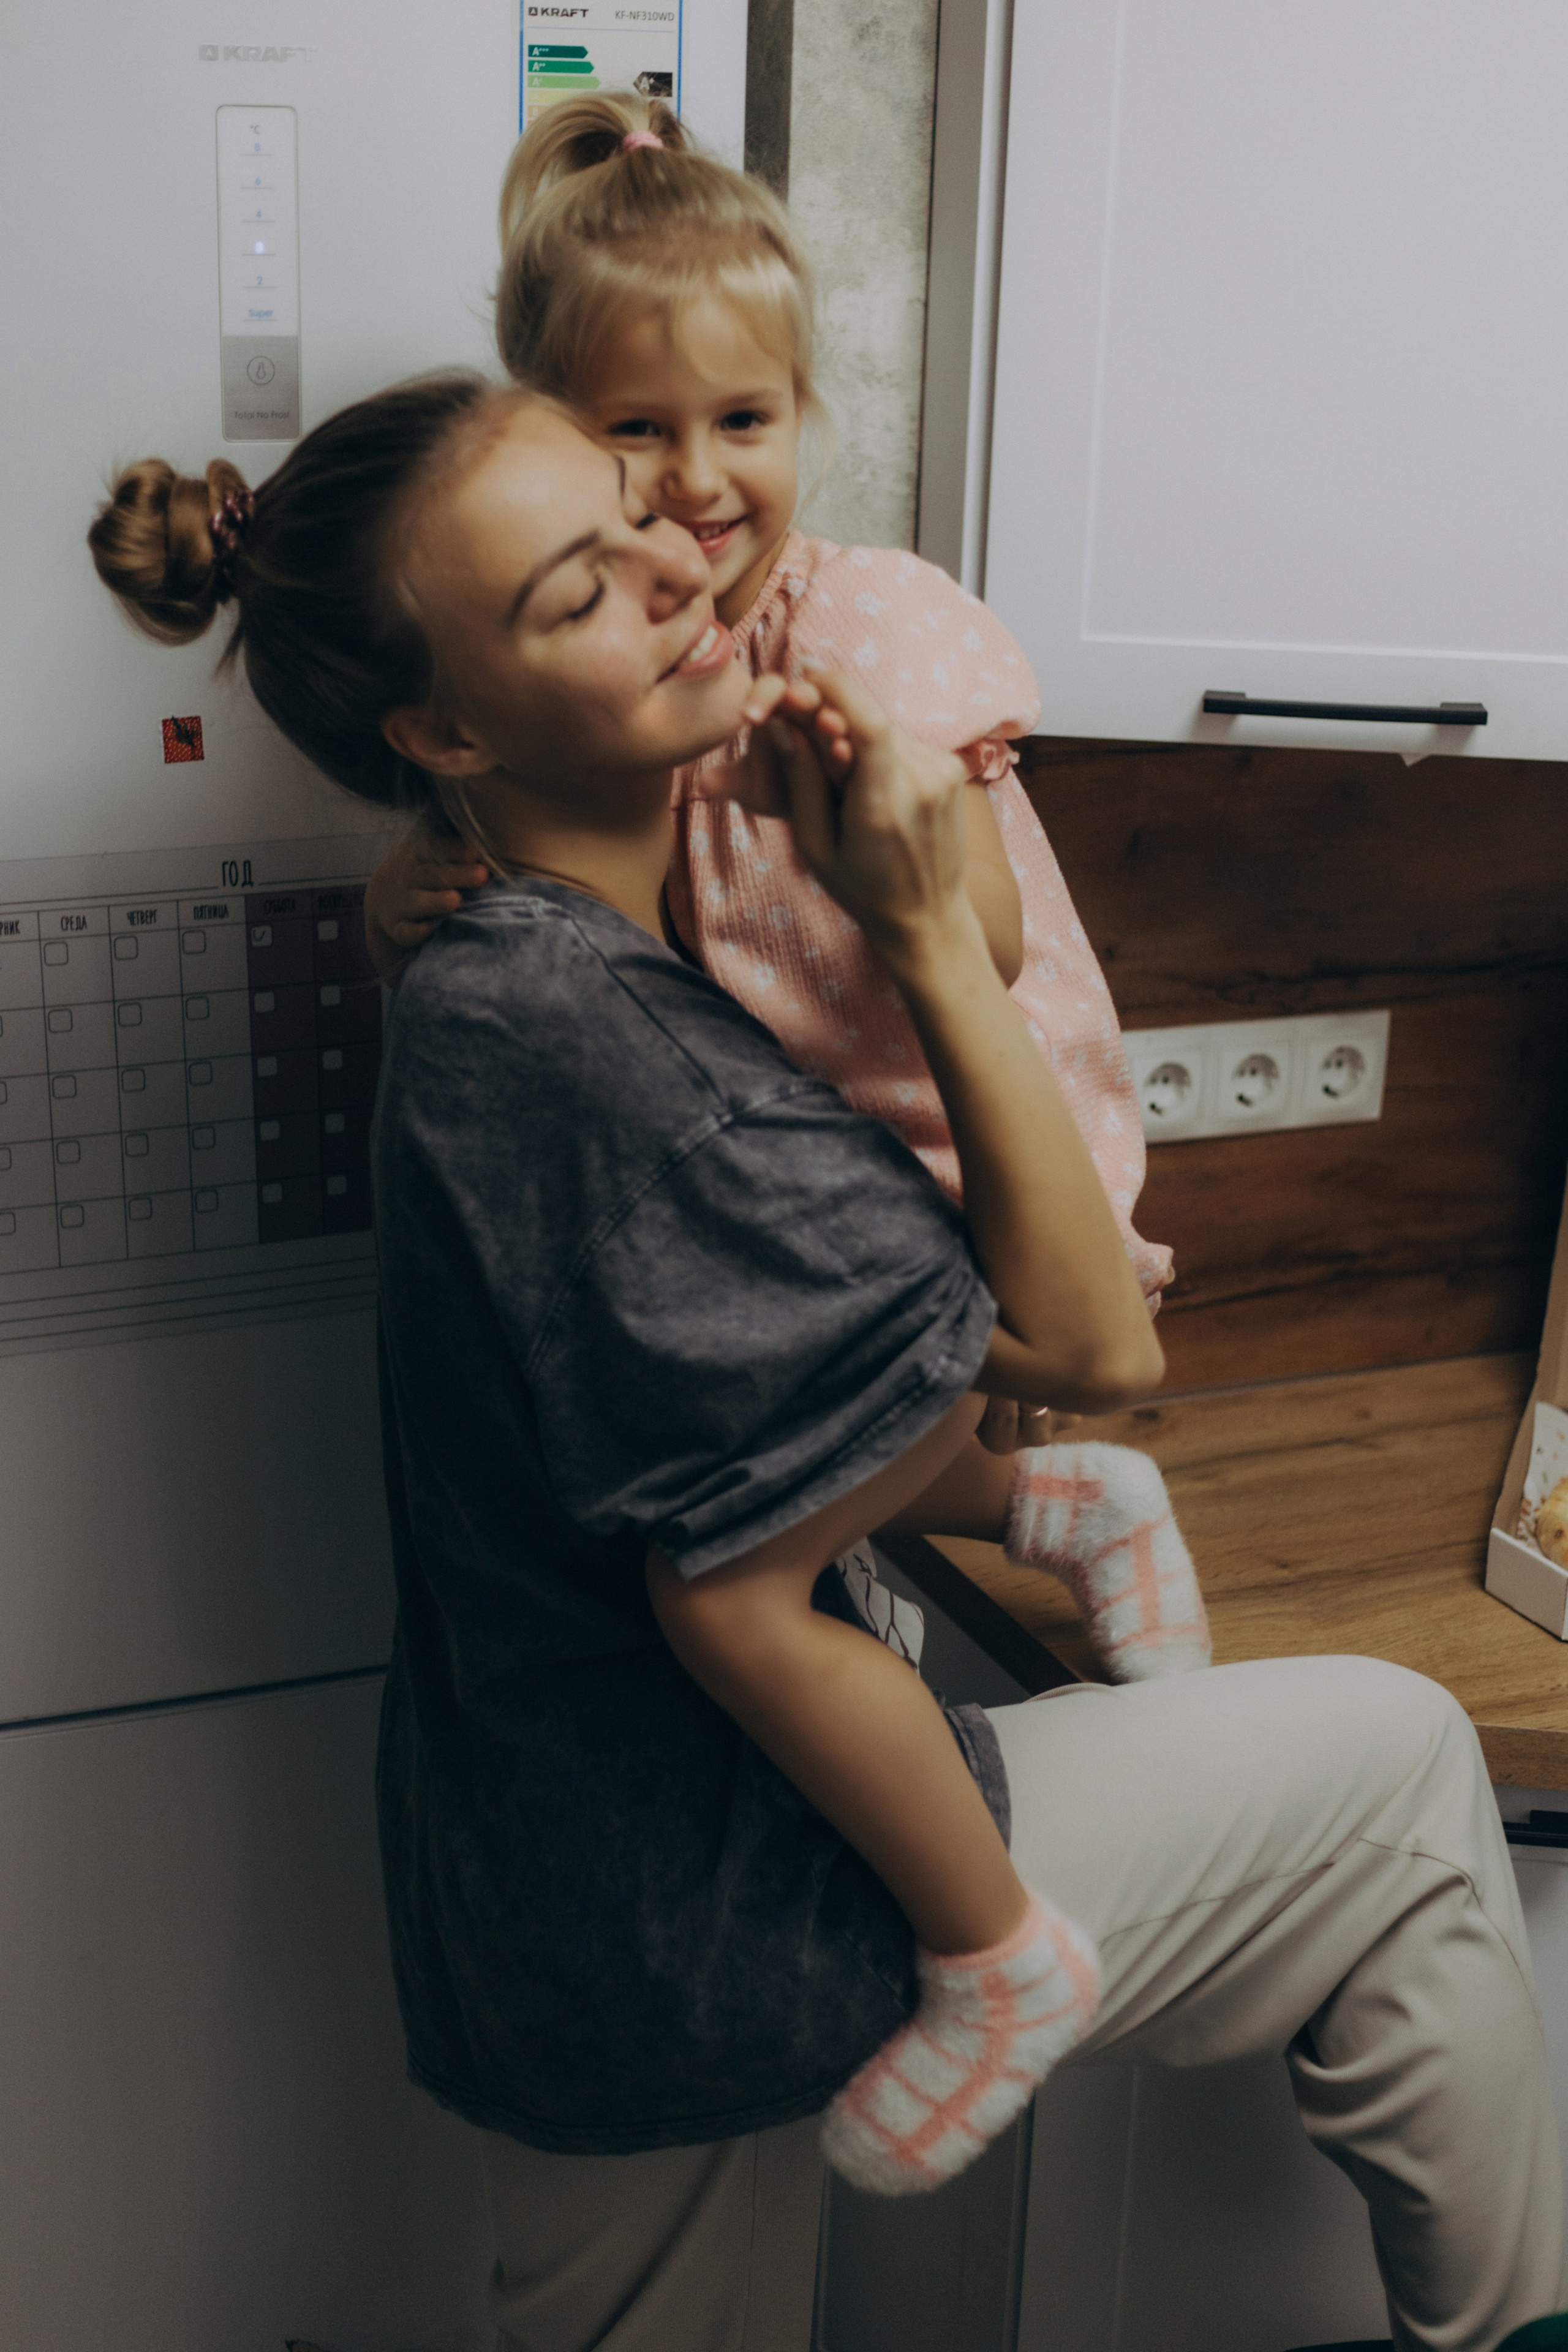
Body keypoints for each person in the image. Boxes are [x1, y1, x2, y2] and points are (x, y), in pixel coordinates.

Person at [89, 380, 1562, 2351]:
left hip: (569, 1881)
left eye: (639, 519)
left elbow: (717, 1417)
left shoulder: (515, 972)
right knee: (1396, 1766)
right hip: (710, 1889)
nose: (682, 568)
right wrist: (939, 944)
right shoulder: (608, 1049)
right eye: (576, 595)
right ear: (442, 732)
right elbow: (1093, 1341)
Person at [363, 92, 1211, 1691]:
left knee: (788, 1536)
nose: (693, 484)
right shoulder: (614, 676)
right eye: (634, 431)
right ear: (549, 438)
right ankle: (1055, 1522)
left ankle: (1061, 1521)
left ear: (801, 417)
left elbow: (999, 945)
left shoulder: (857, 626)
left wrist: (891, 867)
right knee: (777, 1502)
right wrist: (411, 880)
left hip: (956, 1134)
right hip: (822, 1145)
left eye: (742, 423)